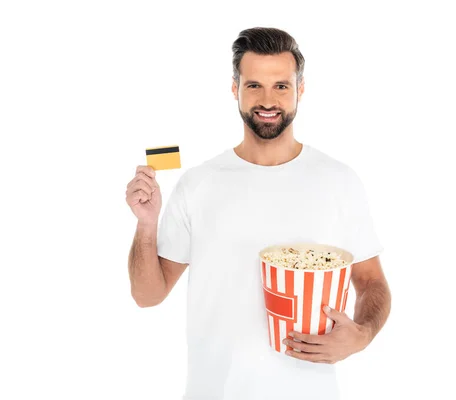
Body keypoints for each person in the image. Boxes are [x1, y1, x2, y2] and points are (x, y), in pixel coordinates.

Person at [125, 27, 391, 400]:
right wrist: (146, 223)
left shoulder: (339, 181)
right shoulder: (198, 183)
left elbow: (372, 283)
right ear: (235, 89)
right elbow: (146, 295)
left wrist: (361, 335)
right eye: (254, 86)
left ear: (300, 89)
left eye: (281, 86)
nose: (268, 100)